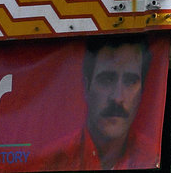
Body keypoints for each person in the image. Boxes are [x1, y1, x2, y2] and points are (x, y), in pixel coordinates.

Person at [37, 37, 151, 170]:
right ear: (86, 87)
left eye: (130, 82)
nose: (117, 97)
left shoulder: (151, 157)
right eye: (107, 80)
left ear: (142, 91)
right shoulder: (53, 161)